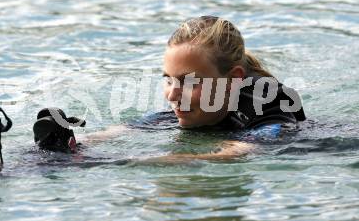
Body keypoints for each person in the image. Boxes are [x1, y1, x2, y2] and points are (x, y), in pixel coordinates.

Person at [85, 16, 306, 161]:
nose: (172, 95)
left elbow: (246, 149)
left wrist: (149, 161)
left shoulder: (266, 102)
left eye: (190, 81)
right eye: (169, 80)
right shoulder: (197, 105)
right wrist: (79, 144)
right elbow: (138, 126)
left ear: (233, 79)